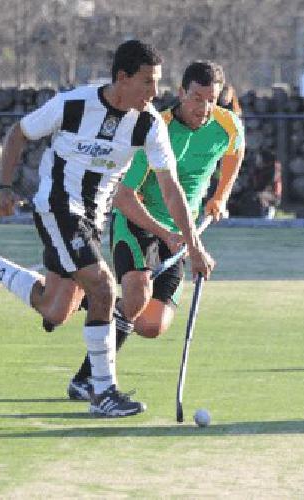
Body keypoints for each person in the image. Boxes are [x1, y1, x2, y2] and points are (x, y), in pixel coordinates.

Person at [0, 40, 215, 418]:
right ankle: (103, 391)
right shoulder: (73, 105)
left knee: (55, 309)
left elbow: (170, 187)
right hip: (58, 207)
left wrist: (193, 245)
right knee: (102, 285)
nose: (154, 92)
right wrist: (4, 186)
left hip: (93, 220)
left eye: (157, 83)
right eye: (147, 82)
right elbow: (19, 133)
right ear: (122, 78)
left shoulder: (148, 124)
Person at [65, 60, 245, 401]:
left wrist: (220, 196)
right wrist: (174, 237)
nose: (203, 108)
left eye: (211, 99)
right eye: (196, 98)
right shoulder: (154, 130)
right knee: (136, 297)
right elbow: (123, 197)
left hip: (182, 230)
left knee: (151, 325)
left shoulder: (228, 125)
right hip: (138, 223)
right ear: (180, 93)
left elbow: (235, 153)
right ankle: (87, 380)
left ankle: (91, 298)